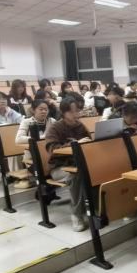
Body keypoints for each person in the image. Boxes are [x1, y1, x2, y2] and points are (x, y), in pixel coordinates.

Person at [45, 97, 91, 232]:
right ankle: (77, 214)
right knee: (76, 175)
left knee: (94, 170)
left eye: (77, 111)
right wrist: (74, 144)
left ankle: (96, 208)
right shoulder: (55, 128)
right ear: (64, 112)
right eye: (72, 111)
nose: (76, 114)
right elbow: (52, 148)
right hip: (59, 168)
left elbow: (90, 142)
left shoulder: (80, 126)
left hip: (78, 164)